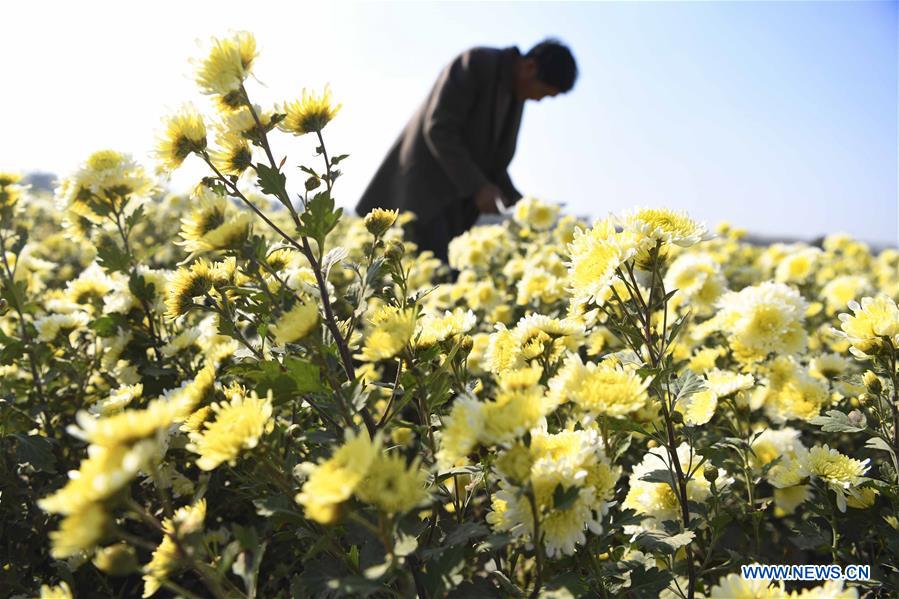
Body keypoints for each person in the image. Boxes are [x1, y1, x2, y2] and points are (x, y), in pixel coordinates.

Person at [356, 39, 578, 263]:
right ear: (529, 67)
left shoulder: (514, 94)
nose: (539, 100)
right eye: (543, 92)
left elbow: (493, 165)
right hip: (423, 197)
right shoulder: (477, 63)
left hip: (453, 209)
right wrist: (479, 187)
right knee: (423, 281)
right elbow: (439, 129)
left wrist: (524, 206)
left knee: (437, 283)